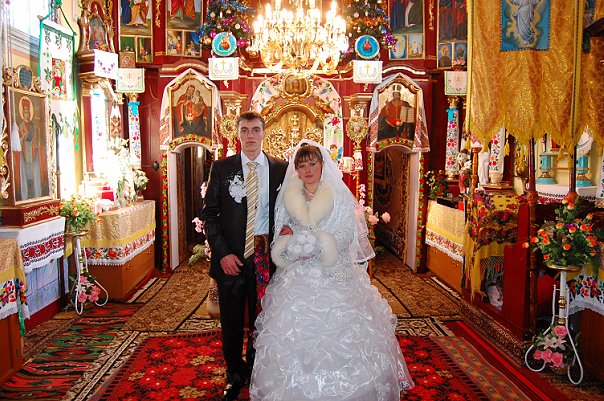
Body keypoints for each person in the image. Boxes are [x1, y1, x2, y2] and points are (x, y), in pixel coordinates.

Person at [250, 140, 414, 400]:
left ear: (321, 164)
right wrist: (289, 240)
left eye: (312, 163)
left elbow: (346, 232)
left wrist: (318, 245)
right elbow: (280, 231)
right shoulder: (288, 196)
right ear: (296, 169)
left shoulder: (338, 195)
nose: (308, 170)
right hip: (297, 272)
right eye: (302, 165)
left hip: (333, 270)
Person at [201, 111, 288, 401]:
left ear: (264, 133)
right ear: (237, 134)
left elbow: (287, 209)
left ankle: (256, 367)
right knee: (232, 319)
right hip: (231, 256)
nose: (250, 135)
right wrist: (222, 253)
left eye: (255, 130)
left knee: (263, 316)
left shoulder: (280, 169)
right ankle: (235, 373)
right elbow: (210, 215)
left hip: (265, 256)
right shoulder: (222, 168)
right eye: (245, 130)